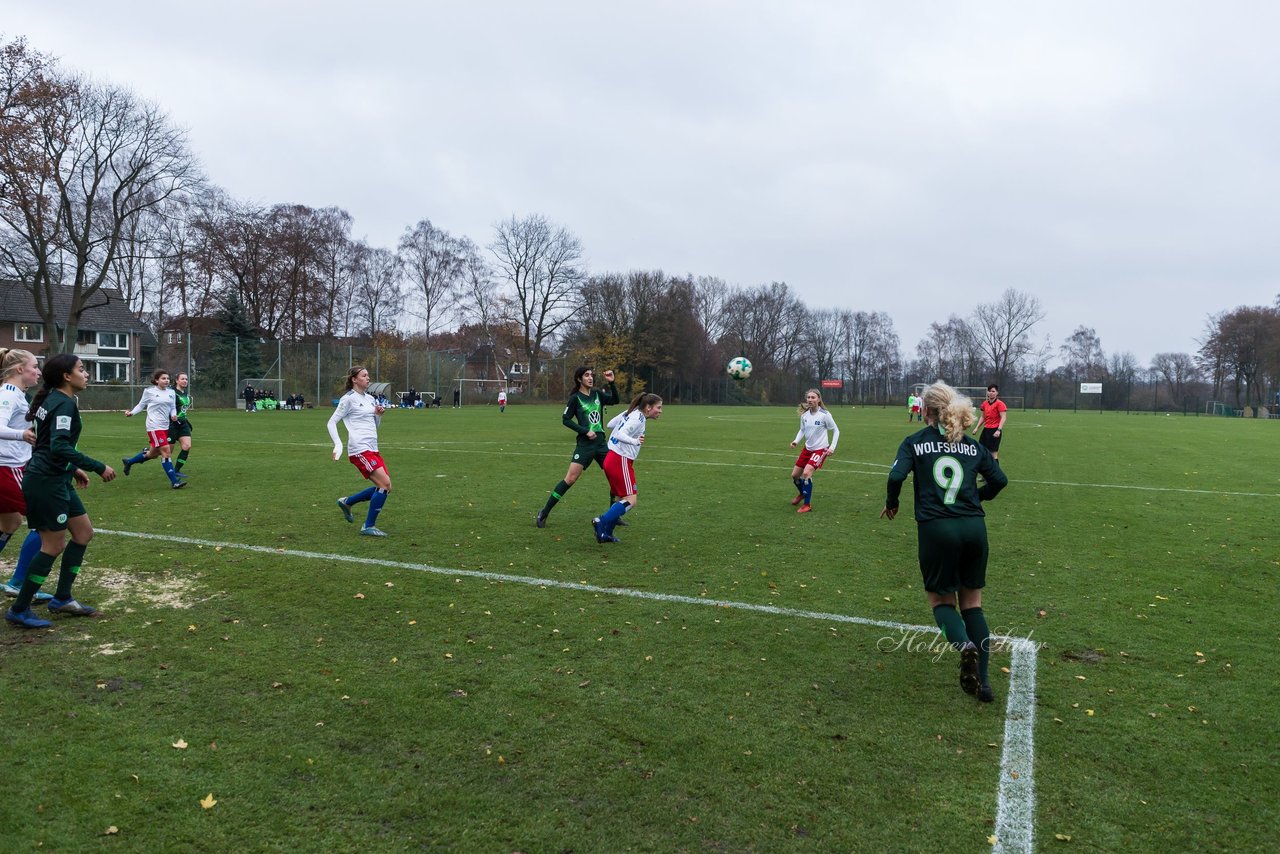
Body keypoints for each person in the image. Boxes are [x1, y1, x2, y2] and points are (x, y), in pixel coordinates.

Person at [880, 381, 1008, 702]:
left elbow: (896, 476)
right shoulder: (972, 445)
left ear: (926, 410)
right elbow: (1000, 480)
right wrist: (976, 498)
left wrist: (892, 502)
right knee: (973, 605)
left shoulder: (915, 441)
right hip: (974, 528)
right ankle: (985, 683)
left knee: (941, 603)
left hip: (938, 530)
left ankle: (964, 646)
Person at [4, 354, 117, 629]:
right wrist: (96, 466)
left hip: (57, 477)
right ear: (67, 376)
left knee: (83, 533)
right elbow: (58, 447)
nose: (86, 374)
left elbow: (45, 444)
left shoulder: (53, 399)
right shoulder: (63, 404)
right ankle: (19, 609)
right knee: (52, 545)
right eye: (81, 369)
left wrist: (72, 469)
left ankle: (62, 598)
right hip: (45, 482)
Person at [534, 367, 619, 528]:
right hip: (585, 445)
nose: (590, 378)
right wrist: (585, 431)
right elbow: (565, 419)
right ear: (579, 379)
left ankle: (613, 514)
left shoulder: (597, 394)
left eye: (591, 375)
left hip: (601, 443)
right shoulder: (575, 398)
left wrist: (612, 383)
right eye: (586, 375)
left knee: (614, 476)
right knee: (571, 479)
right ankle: (544, 512)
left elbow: (615, 400)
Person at [0, 348, 49, 601]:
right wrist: (23, 435)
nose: (38, 371)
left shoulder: (16, 394)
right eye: (34, 366)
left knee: (10, 523)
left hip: (9, 467)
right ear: (20, 369)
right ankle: (19, 582)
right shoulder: (9, 394)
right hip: (7, 469)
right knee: (45, 521)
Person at [329, 366, 392, 537]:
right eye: (364, 375)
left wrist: (378, 415)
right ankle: (368, 526)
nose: (368, 378)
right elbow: (331, 422)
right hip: (359, 449)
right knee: (384, 484)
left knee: (386, 486)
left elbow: (374, 426)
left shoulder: (371, 399)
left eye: (368, 375)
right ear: (354, 379)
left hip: (372, 448)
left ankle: (347, 502)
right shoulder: (348, 399)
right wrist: (338, 445)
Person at [591, 392, 662, 543]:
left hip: (611, 458)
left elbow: (610, 424)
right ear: (648, 407)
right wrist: (635, 441)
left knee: (620, 500)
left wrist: (625, 420)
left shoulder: (632, 412)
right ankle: (601, 521)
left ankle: (606, 534)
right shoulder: (638, 418)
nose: (660, 411)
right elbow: (620, 434)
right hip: (620, 460)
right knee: (631, 500)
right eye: (659, 407)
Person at [121, 369, 186, 489]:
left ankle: (129, 461)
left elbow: (172, 407)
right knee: (166, 451)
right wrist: (132, 413)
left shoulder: (171, 392)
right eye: (163, 378)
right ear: (156, 380)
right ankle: (175, 481)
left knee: (153, 454)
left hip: (165, 425)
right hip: (154, 426)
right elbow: (141, 405)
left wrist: (173, 414)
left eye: (167, 378)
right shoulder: (149, 392)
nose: (166, 380)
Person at [789, 388, 839, 514]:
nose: (810, 400)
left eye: (813, 397)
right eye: (808, 397)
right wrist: (796, 441)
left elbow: (836, 430)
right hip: (807, 449)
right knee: (795, 476)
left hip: (820, 449)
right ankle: (802, 493)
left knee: (806, 473)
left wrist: (832, 447)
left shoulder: (825, 415)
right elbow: (802, 430)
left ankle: (807, 505)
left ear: (819, 399)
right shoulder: (805, 415)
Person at [972, 383, 1008, 461]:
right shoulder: (984, 404)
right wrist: (977, 428)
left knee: (993, 454)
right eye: (989, 391)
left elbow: (1003, 417)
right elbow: (983, 417)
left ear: (997, 393)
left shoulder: (1000, 404)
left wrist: (999, 430)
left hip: (995, 430)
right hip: (986, 430)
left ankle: (996, 472)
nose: (991, 393)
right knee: (981, 450)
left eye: (993, 391)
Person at [169, 372, 194, 474]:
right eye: (182, 379)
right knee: (166, 452)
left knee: (187, 446)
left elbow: (182, 410)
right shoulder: (171, 393)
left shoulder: (186, 394)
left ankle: (176, 470)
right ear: (176, 381)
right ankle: (142, 455)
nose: (185, 381)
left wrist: (186, 421)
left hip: (183, 424)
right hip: (172, 424)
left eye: (186, 379)